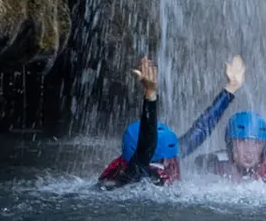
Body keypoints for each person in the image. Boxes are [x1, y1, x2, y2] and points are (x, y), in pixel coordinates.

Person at [98, 53, 246, 188]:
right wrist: (150, 94)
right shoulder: (131, 173)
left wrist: (230, 89)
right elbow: (147, 142)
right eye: (162, 160)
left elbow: (201, 129)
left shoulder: (168, 156)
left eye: (169, 158)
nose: (169, 163)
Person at [204, 110, 266, 184]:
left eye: (257, 143)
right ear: (230, 145)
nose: (249, 151)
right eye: (242, 141)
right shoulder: (214, 164)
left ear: (263, 148)